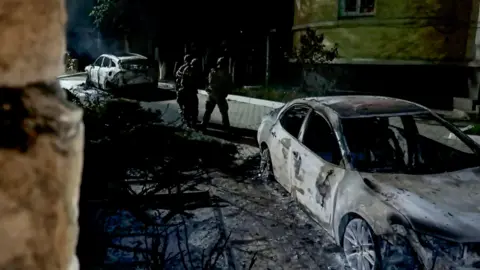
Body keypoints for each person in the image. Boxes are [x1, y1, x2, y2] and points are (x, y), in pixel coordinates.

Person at [200, 57, 232, 131]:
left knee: (209, 111)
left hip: (214, 94)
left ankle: (204, 124)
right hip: (218, 95)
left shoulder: (213, 71)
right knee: (223, 112)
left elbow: (210, 82)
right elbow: (228, 85)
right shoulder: (224, 73)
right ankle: (226, 127)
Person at [180, 58, 203, 127]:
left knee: (191, 108)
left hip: (190, 92)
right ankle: (189, 122)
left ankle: (191, 122)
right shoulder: (188, 70)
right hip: (188, 91)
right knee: (191, 108)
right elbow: (183, 81)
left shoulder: (192, 70)